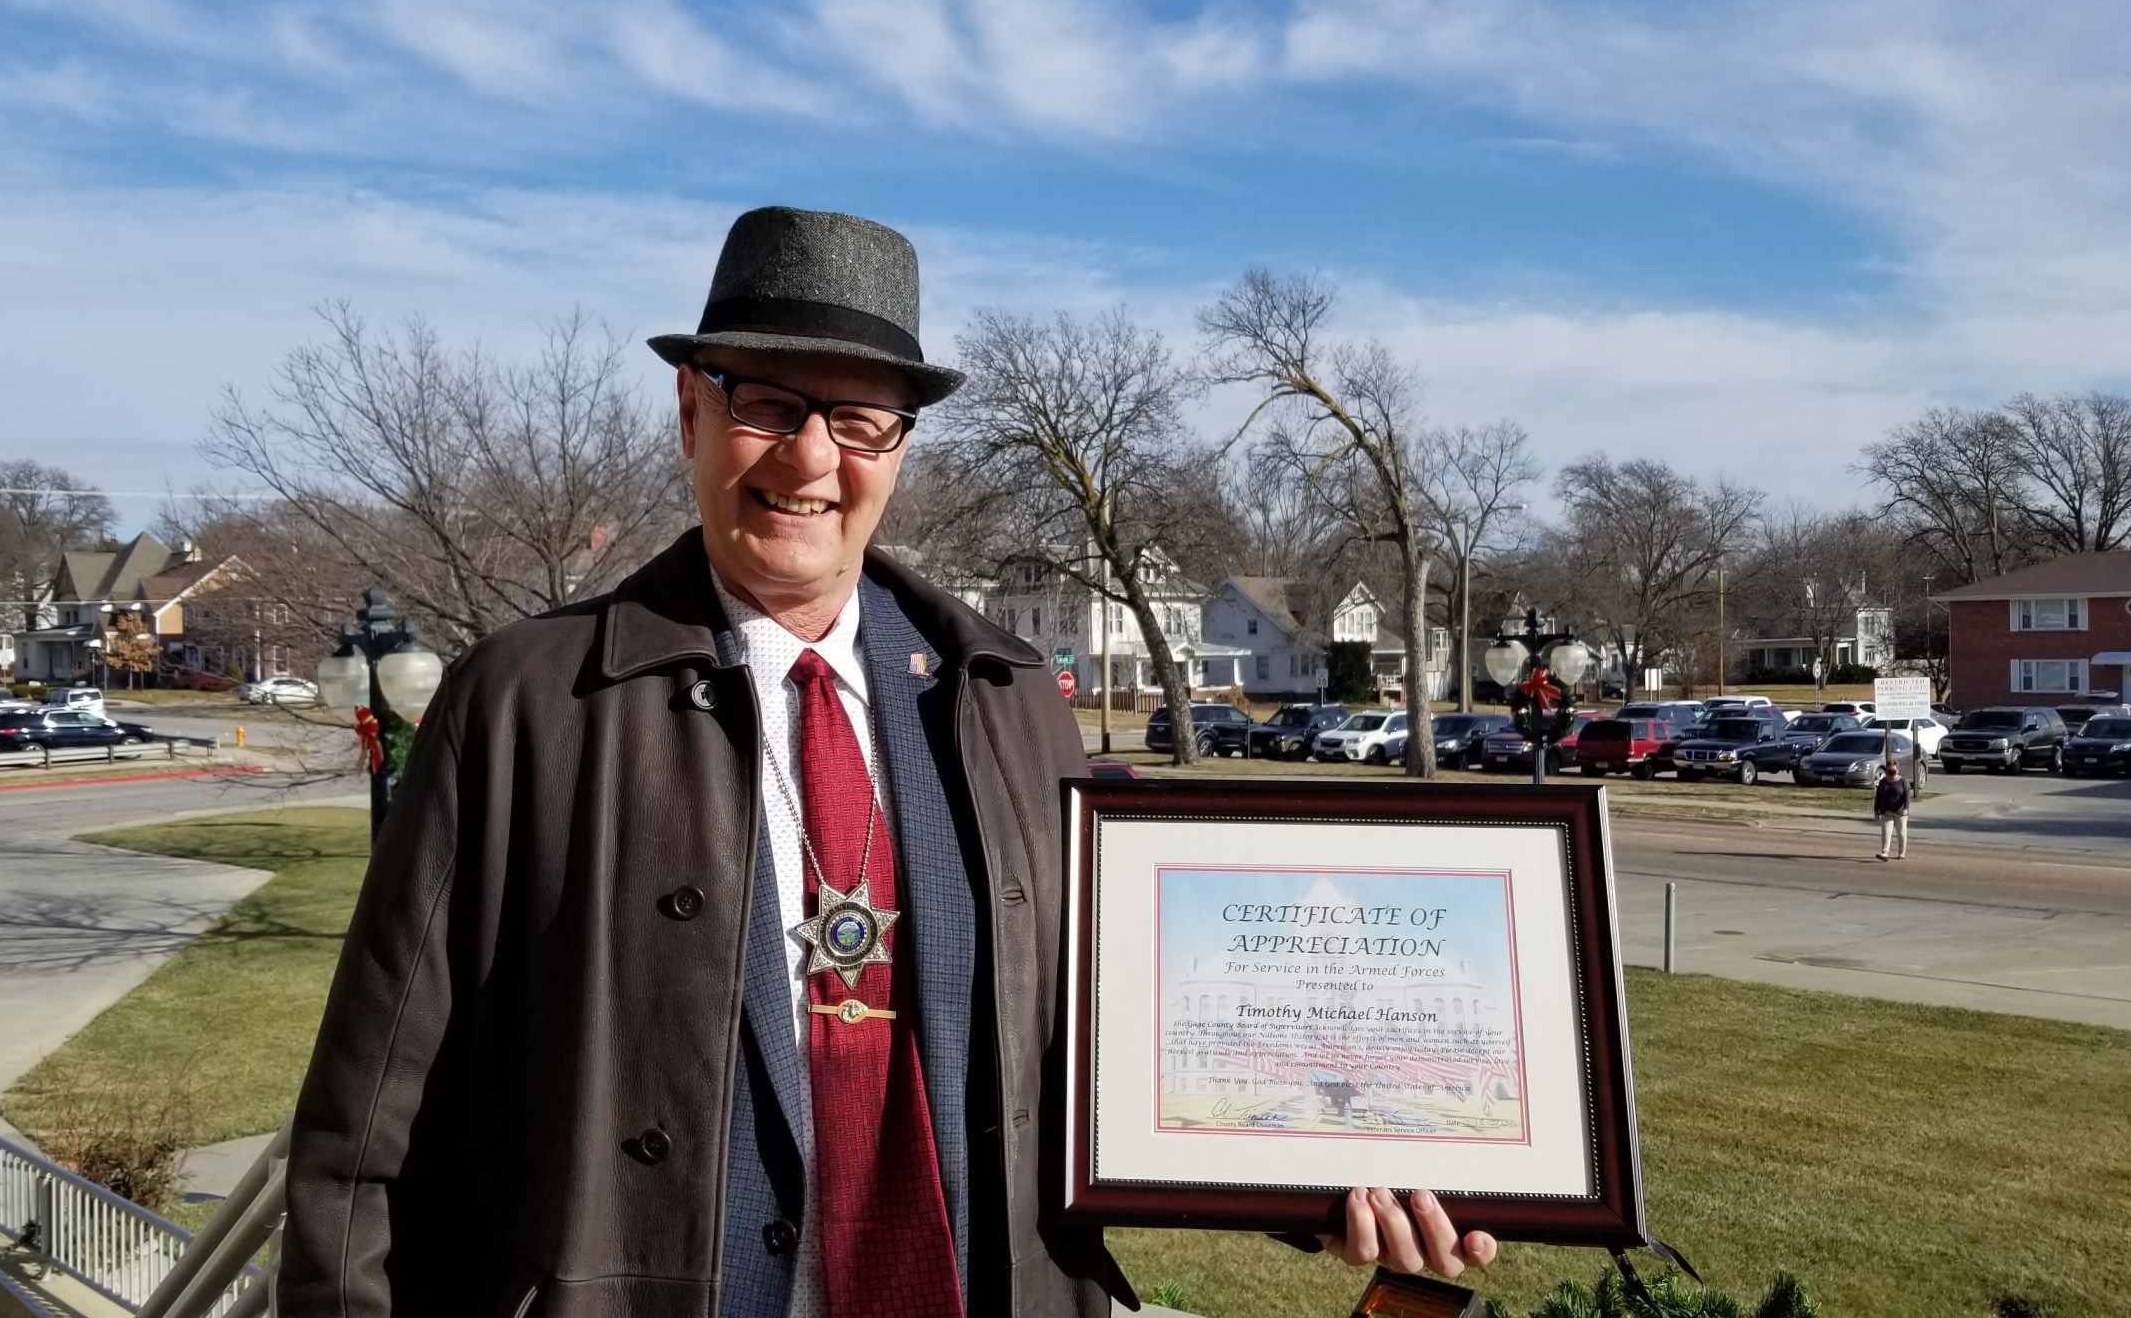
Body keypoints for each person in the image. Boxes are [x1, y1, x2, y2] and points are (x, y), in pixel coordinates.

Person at [278, 207, 1494, 1317]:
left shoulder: (1010, 701)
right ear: (691, 414)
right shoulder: (529, 701)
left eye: (858, 421)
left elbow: (1109, 1042)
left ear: (899, 450)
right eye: (766, 403)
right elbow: (369, 1123)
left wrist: (1324, 1181)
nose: (810, 461)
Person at [1874, 760, 1912, 860]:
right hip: (1887, 811)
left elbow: (1908, 796)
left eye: (1893, 770)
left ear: (1897, 770)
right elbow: (1878, 796)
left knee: (1901, 833)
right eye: (1889, 769)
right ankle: (1885, 853)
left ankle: (1901, 853)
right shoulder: (1883, 782)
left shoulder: (1903, 782)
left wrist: (1906, 808)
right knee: (1886, 831)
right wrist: (1876, 810)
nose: (1891, 772)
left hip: (1900, 812)